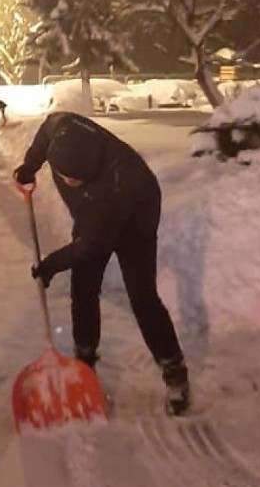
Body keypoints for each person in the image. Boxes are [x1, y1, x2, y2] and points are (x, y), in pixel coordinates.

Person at [13, 110, 191, 415]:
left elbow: (90, 246)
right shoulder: (64, 128)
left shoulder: (117, 187)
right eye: (64, 176)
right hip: (93, 219)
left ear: (91, 170)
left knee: (143, 297)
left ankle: (174, 372)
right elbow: (47, 129)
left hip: (136, 221)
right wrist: (31, 164)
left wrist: (51, 265)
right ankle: (85, 358)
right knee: (83, 290)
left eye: (75, 179)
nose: (68, 183)